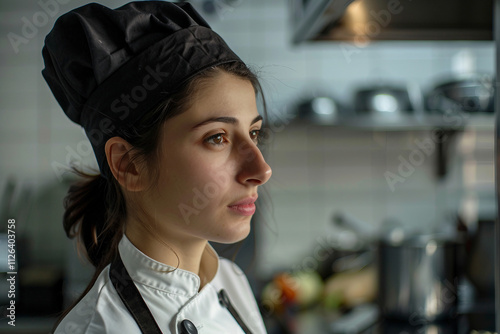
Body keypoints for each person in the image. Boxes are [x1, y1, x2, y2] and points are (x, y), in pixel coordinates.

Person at [41, 1, 272, 333]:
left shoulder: (231, 281)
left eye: (253, 133)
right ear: (128, 164)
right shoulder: (100, 328)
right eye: (217, 137)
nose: (261, 169)